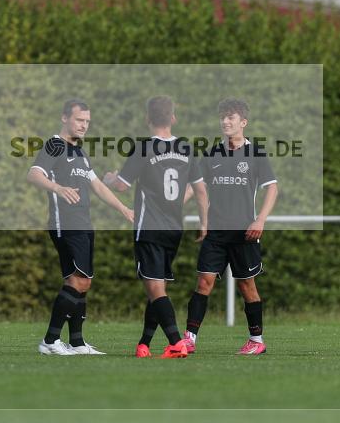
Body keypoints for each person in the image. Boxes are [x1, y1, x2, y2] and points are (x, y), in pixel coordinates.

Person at [103, 96, 208, 359]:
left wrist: (109, 179)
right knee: (157, 286)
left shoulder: (144, 148)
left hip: (148, 226)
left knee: (155, 289)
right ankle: (144, 344)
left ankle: (176, 342)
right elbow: (200, 191)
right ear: (173, 118)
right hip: (174, 229)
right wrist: (205, 223)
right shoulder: (186, 149)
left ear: (147, 119)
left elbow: (122, 186)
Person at [27, 98, 134, 355]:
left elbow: (96, 186)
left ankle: (76, 342)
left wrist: (124, 209)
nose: (84, 125)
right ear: (65, 118)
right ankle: (50, 340)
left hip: (82, 222)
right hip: (66, 223)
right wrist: (58, 188)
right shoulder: (55, 145)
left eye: (87, 121)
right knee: (81, 280)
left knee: (79, 281)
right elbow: (34, 174)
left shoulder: (79, 152)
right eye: (79, 120)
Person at [182, 98, 278, 355]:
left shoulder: (256, 153)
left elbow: (272, 188)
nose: (225, 121)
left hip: (245, 233)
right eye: (223, 117)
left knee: (248, 286)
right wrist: (173, 205)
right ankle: (189, 338)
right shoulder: (212, 154)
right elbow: (196, 187)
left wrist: (260, 220)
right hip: (216, 232)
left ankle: (256, 341)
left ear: (243, 123)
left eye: (231, 117)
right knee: (204, 282)